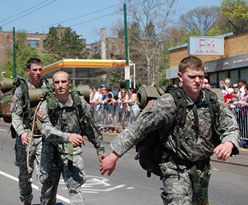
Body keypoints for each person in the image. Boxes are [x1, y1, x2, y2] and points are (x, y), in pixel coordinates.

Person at [100, 55, 240, 205]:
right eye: (192, 76)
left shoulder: (212, 101)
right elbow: (138, 128)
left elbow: (230, 125)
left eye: (200, 76)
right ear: (180, 76)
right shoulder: (168, 102)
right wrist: (114, 156)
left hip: (202, 169)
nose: (197, 81)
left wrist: (229, 143)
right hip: (175, 169)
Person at [36, 70, 105, 205]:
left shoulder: (79, 102)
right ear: (53, 85)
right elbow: (45, 129)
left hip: (71, 153)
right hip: (50, 153)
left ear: (69, 83)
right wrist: (67, 137)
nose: (60, 85)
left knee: (75, 190)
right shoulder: (45, 104)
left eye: (63, 82)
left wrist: (100, 149)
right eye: (57, 82)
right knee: (47, 196)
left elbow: (91, 126)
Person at [11, 57, 48, 205]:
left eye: (40, 69)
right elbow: (15, 114)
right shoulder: (21, 89)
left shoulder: (47, 87)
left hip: (43, 137)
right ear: (28, 71)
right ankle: (26, 201)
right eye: (35, 70)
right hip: (26, 137)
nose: (38, 72)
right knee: (25, 174)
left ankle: (45, 201)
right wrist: (21, 133)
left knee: (44, 173)